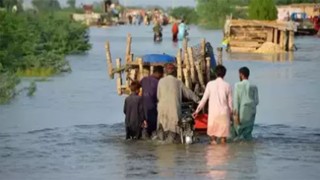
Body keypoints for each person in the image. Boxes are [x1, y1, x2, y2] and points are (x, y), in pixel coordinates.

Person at [157, 64, 200, 143]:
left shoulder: (160, 81)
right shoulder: (178, 82)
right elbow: (188, 93)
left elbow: (158, 96)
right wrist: (198, 100)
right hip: (173, 110)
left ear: (165, 72)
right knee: (174, 133)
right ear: (175, 72)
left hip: (161, 111)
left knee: (162, 134)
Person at [193, 65, 233, 144]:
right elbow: (230, 104)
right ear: (224, 74)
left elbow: (203, 100)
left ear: (215, 74)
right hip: (223, 114)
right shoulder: (228, 85)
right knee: (223, 140)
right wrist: (231, 116)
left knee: (213, 140)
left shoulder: (210, 84)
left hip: (213, 114)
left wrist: (197, 111)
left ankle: (212, 154)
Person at [232, 67, 259, 140]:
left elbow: (236, 101)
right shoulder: (254, 86)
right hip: (252, 111)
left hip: (242, 111)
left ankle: (241, 149)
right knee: (248, 133)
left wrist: (236, 114)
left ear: (241, 75)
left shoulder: (237, 85)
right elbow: (256, 101)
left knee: (239, 132)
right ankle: (249, 149)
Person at [140, 66, 164, 138]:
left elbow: (138, 85)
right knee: (153, 127)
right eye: (161, 75)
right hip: (152, 106)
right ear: (158, 73)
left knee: (146, 125)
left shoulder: (144, 79)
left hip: (143, 106)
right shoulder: (158, 82)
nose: (161, 76)